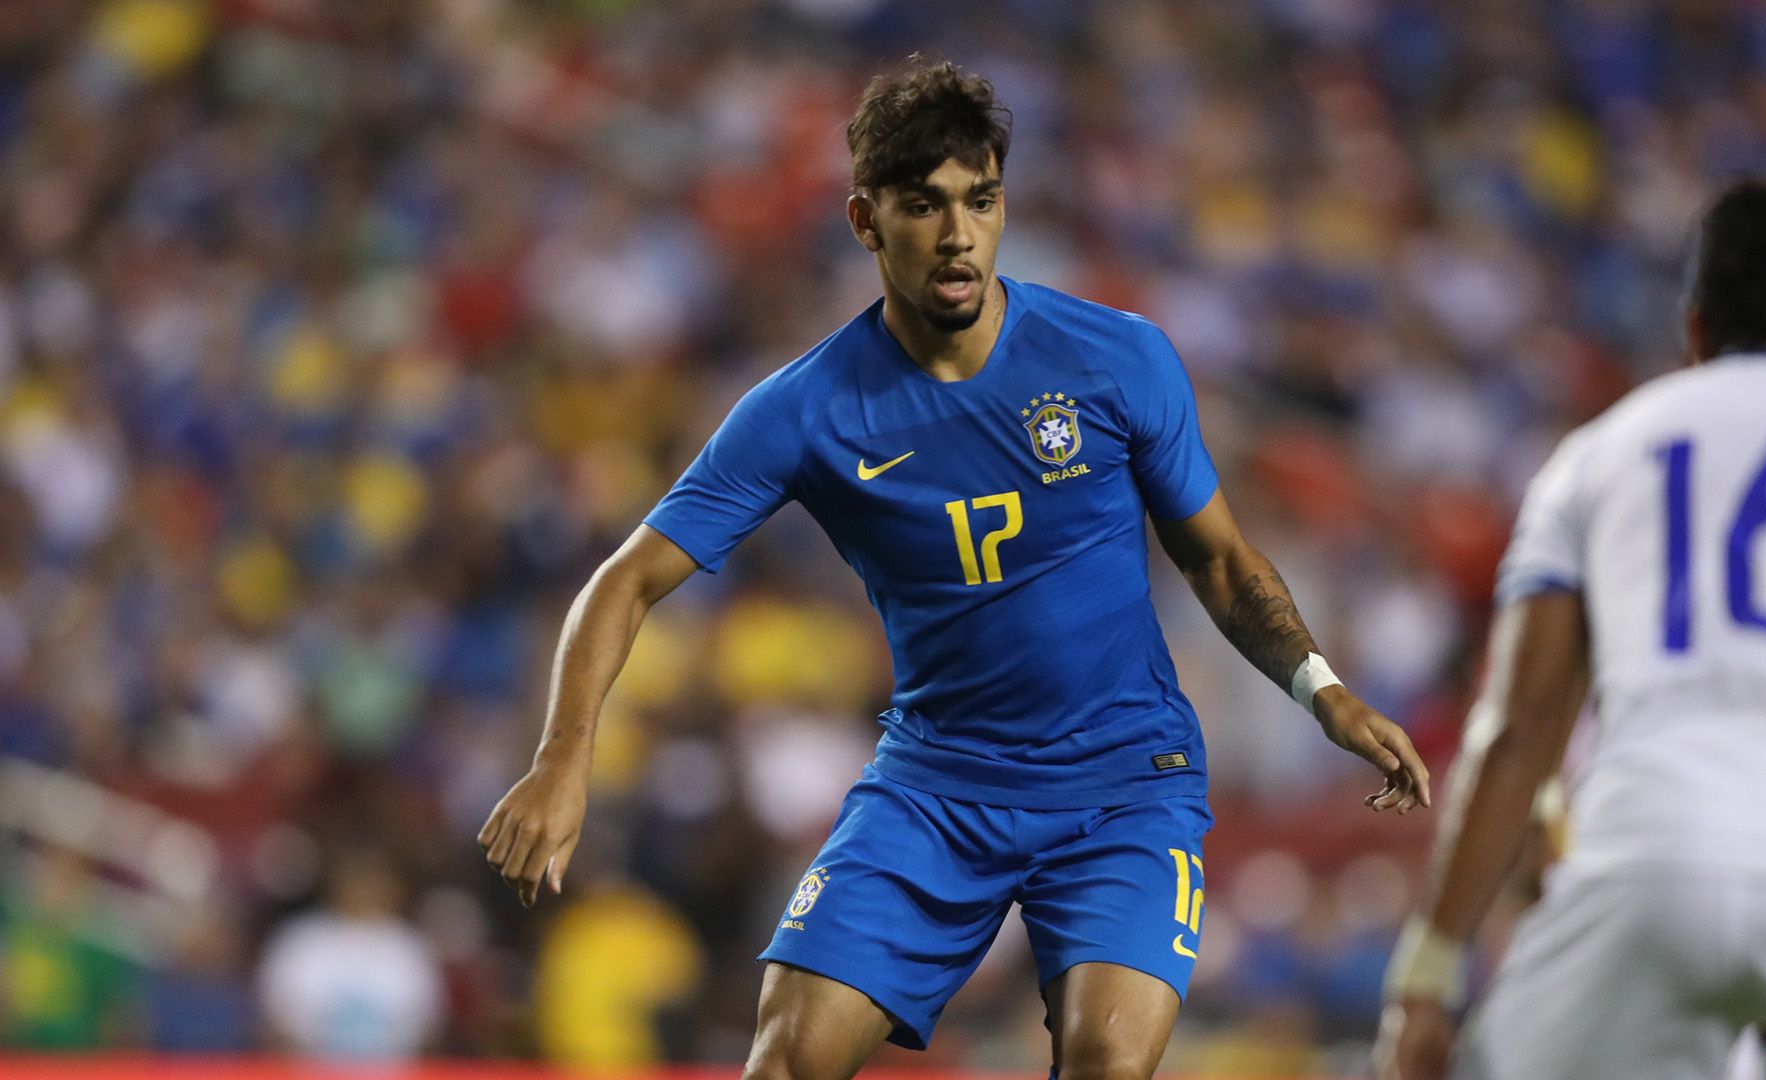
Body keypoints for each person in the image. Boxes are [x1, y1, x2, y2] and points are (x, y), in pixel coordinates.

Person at [480, 57, 1429, 1080]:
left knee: (1110, 1061)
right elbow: (624, 580)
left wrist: (1324, 693)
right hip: (938, 785)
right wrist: (563, 760)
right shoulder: (806, 410)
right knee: (787, 1058)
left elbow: (1225, 566)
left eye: (979, 201)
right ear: (864, 220)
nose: (956, 233)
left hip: (1124, 782)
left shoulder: (1115, 357)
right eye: (922, 206)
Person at [1373, 176, 1766, 1080]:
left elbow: (1516, 733)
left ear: (1695, 328)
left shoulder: (1599, 453)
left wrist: (1424, 983)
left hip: (1652, 861)